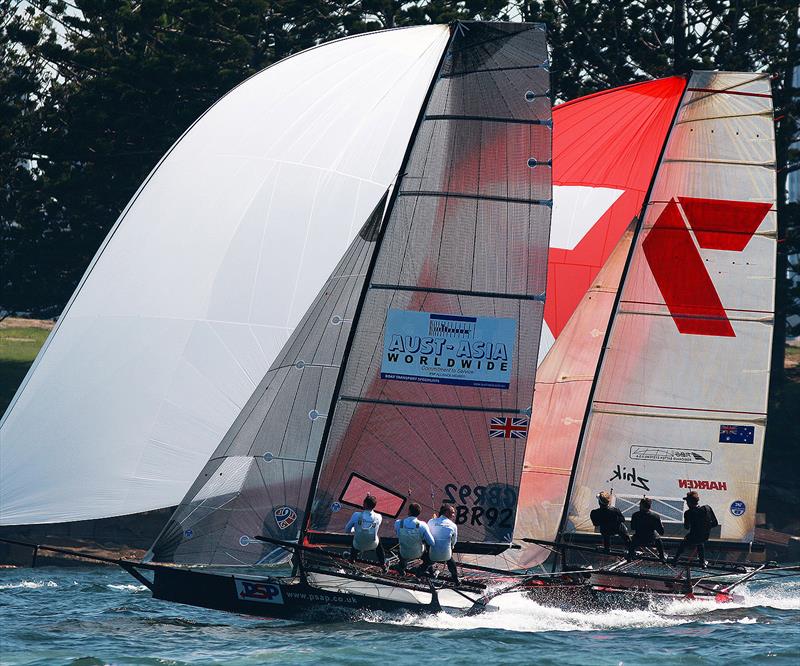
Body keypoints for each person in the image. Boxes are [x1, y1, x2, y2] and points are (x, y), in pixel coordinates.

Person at [671, 490, 718, 568]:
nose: (686, 503)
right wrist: (705, 528)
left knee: (685, 541)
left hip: (693, 538)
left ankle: (675, 559)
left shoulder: (688, 513)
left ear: (689, 503)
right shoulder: (707, 508)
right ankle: (702, 562)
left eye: (687, 502)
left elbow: (686, 527)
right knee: (700, 542)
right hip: (705, 537)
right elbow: (715, 523)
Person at [344, 494, 386, 571]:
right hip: (373, 545)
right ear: (374, 506)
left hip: (358, 545)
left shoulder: (356, 515)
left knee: (357, 535)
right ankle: (383, 563)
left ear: (364, 504)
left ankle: (352, 558)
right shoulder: (379, 517)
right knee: (378, 538)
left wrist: (354, 529)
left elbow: (347, 530)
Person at [423, 504, 460, 584]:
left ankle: (420, 573)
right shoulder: (453, 525)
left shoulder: (431, 521)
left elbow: (427, 536)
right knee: (451, 561)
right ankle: (455, 578)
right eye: (452, 513)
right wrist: (451, 546)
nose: (454, 515)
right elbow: (454, 541)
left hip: (432, 555)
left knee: (427, 560)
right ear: (446, 512)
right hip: (445, 555)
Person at [394, 502, 435, 574]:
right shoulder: (422, 525)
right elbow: (432, 542)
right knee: (430, 558)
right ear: (419, 513)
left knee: (403, 548)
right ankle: (422, 570)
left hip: (403, 553)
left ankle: (402, 567)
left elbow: (398, 535)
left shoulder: (398, 523)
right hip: (418, 553)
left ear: (409, 511)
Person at [627, 497, 665, 561]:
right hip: (650, 539)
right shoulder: (655, 516)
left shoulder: (635, 515)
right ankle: (662, 557)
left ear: (641, 506)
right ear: (649, 506)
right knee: (658, 538)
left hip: (638, 539)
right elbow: (661, 532)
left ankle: (630, 555)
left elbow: (633, 528)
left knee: (633, 538)